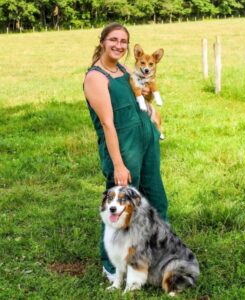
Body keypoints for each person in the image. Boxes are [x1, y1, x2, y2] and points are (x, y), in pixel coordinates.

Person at [83, 22, 168, 281]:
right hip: (124, 149)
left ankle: (153, 258)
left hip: (147, 143)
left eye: (124, 42)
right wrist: (119, 165)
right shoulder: (96, 77)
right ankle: (112, 266)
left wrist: (152, 113)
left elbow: (139, 97)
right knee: (121, 210)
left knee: (156, 202)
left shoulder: (122, 69)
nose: (119, 46)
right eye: (114, 40)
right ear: (102, 41)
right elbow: (108, 123)